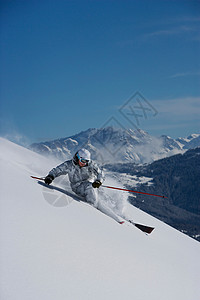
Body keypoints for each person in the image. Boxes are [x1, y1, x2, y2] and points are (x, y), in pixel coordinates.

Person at [45, 148, 124, 224]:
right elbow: (58, 170)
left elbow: (100, 173)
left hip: (91, 184)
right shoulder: (69, 165)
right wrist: (50, 176)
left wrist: (98, 181)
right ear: (78, 158)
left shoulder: (90, 165)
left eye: (86, 161)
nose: (84, 163)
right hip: (78, 186)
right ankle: (92, 207)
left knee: (102, 193)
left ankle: (115, 210)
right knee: (89, 187)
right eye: (83, 161)